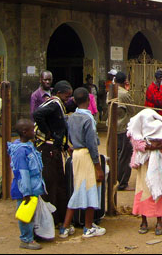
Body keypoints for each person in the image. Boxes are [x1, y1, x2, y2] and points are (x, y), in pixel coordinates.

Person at [59, 88, 107, 239]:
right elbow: (92, 145)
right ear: (88, 100)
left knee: (78, 189)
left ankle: (65, 227)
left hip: (76, 154)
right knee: (91, 189)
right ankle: (88, 227)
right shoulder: (88, 120)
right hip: (87, 155)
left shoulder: (71, 117)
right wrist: (98, 167)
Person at [32, 80, 75, 227]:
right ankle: (50, 219)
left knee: (58, 182)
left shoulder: (59, 105)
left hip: (54, 149)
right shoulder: (54, 104)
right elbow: (37, 115)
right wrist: (48, 133)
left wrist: (63, 145)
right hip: (47, 149)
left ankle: (58, 217)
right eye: (66, 96)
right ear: (58, 93)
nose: (67, 99)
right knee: (52, 183)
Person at [127, 108, 162, 236]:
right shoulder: (137, 133)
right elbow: (137, 145)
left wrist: (156, 146)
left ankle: (159, 221)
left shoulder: (161, 130)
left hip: (158, 166)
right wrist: (150, 146)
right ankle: (144, 220)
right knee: (143, 191)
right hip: (144, 166)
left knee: (158, 191)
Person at [7, 119, 45, 250]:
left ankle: (30, 236)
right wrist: (26, 192)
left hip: (32, 188)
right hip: (25, 190)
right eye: (31, 130)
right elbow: (23, 173)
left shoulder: (28, 146)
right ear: (24, 132)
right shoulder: (21, 151)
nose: (33, 132)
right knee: (25, 215)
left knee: (30, 214)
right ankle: (26, 239)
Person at [115, 72, 136, 191]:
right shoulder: (124, 93)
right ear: (125, 81)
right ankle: (123, 182)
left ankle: (115, 179)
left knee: (116, 155)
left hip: (113, 127)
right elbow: (132, 109)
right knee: (126, 155)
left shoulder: (111, 92)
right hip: (124, 128)